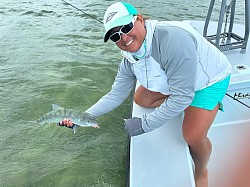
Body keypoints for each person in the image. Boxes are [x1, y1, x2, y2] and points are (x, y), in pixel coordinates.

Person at [59, 2, 232, 187]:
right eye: (116, 36)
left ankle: (202, 171)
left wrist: (144, 125)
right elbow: (115, 95)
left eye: (126, 27)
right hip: (179, 83)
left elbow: (182, 96)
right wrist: (81, 117)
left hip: (208, 81)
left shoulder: (172, 39)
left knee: (192, 136)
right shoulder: (129, 59)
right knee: (140, 98)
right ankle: (183, 102)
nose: (124, 38)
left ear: (140, 19)